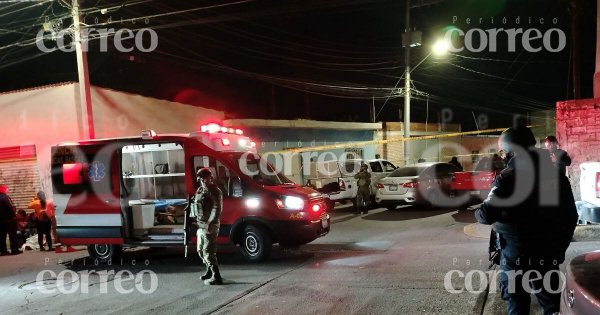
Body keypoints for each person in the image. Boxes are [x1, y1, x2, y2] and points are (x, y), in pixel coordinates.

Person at [475, 126, 577, 315]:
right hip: (547, 255)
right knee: (553, 306)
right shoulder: (556, 177)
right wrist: (558, 250)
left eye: (503, 152)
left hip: (515, 257)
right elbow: (571, 217)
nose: (502, 156)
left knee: (517, 305)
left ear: (512, 151)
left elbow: (485, 215)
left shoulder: (507, 179)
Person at [193, 167, 223, 285]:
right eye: (204, 177)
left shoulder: (215, 191)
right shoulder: (200, 190)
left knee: (208, 251)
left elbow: (217, 208)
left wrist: (210, 224)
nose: (207, 179)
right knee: (200, 251)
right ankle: (209, 271)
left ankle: (217, 276)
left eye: (208, 177)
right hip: (200, 225)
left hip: (210, 225)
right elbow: (195, 206)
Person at [0, 184, 21, 255]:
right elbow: (9, 207)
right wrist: (14, 215)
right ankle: (14, 250)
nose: (7, 190)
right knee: (12, 235)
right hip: (9, 220)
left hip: (1, 221)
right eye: (6, 189)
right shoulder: (5, 197)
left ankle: (3, 251)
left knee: (2, 236)